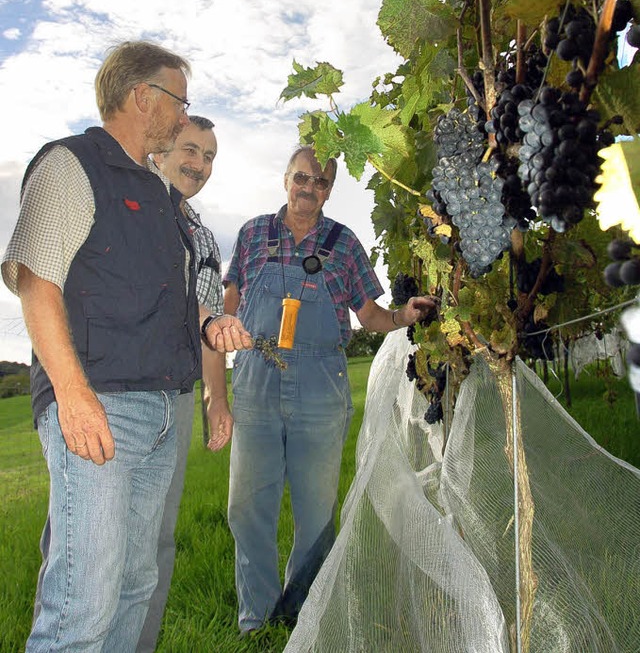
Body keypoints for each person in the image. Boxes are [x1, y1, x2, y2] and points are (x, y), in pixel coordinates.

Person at [1, 41, 251, 652]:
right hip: (101, 411)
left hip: (163, 412)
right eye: (179, 100)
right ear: (143, 97)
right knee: (82, 604)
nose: (183, 113)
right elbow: (36, 280)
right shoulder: (72, 164)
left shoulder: (167, 204)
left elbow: (175, 306)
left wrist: (210, 328)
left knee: (135, 588)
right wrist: (73, 396)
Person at [223, 145, 436, 633]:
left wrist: (403, 317)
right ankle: (256, 616)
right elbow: (230, 299)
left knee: (316, 510)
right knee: (247, 503)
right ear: (286, 179)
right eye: (302, 177)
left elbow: (369, 314)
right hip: (256, 375)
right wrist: (221, 337)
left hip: (321, 384)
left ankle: (303, 612)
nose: (309, 188)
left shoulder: (344, 243)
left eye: (320, 182)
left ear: (330, 190)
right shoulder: (253, 233)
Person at [137, 114, 232, 653]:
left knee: (156, 547)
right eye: (191, 150)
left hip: (173, 400)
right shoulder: (128, 208)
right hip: (115, 392)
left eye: (210, 156)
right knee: (91, 553)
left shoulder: (202, 234)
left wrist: (215, 399)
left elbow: (211, 322)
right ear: (161, 150)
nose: (200, 164)